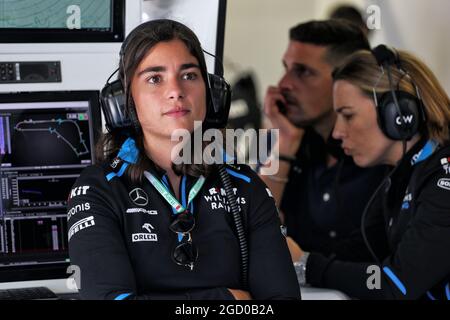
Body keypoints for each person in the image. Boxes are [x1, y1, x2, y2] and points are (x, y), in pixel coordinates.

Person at [67, 19, 301, 300]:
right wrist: (226, 298)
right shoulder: (97, 190)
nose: (176, 90)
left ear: (212, 93)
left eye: (189, 75)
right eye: (155, 78)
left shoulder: (245, 186)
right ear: (126, 101)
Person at [294, 44, 450, 299]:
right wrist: (286, 253)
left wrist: (307, 266)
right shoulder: (402, 174)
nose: (337, 132)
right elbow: (358, 250)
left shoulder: (443, 180)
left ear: (398, 114)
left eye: (348, 115)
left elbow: (396, 282)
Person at [260, 20, 387, 256]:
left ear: (348, 78)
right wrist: (286, 143)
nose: (283, 84)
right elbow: (248, 228)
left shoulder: (382, 154)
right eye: (286, 68)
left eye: (303, 71)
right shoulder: (284, 140)